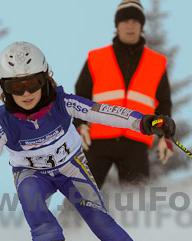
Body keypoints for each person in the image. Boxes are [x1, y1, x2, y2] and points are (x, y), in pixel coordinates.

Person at [0, 41, 177, 241]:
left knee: (99, 219)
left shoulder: (62, 103)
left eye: (32, 82)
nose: (26, 92)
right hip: (32, 173)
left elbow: (103, 112)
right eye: (15, 87)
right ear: (4, 88)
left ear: (45, 79)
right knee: (30, 198)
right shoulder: (6, 122)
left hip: (71, 169)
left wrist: (144, 122)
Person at [74, 0, 174, 189]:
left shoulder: (156, 62)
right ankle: (68, 221)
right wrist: (80, 125)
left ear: (142, 27)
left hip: (135, 143)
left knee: (137, 205)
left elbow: (164, 103)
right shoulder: (96, 58)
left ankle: (133, 220)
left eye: (136, 21)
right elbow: (81, 95)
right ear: (117, 25)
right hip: (98, 140)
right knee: (80, 195)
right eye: (125, 20)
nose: (130, 25)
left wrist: (164, 137)